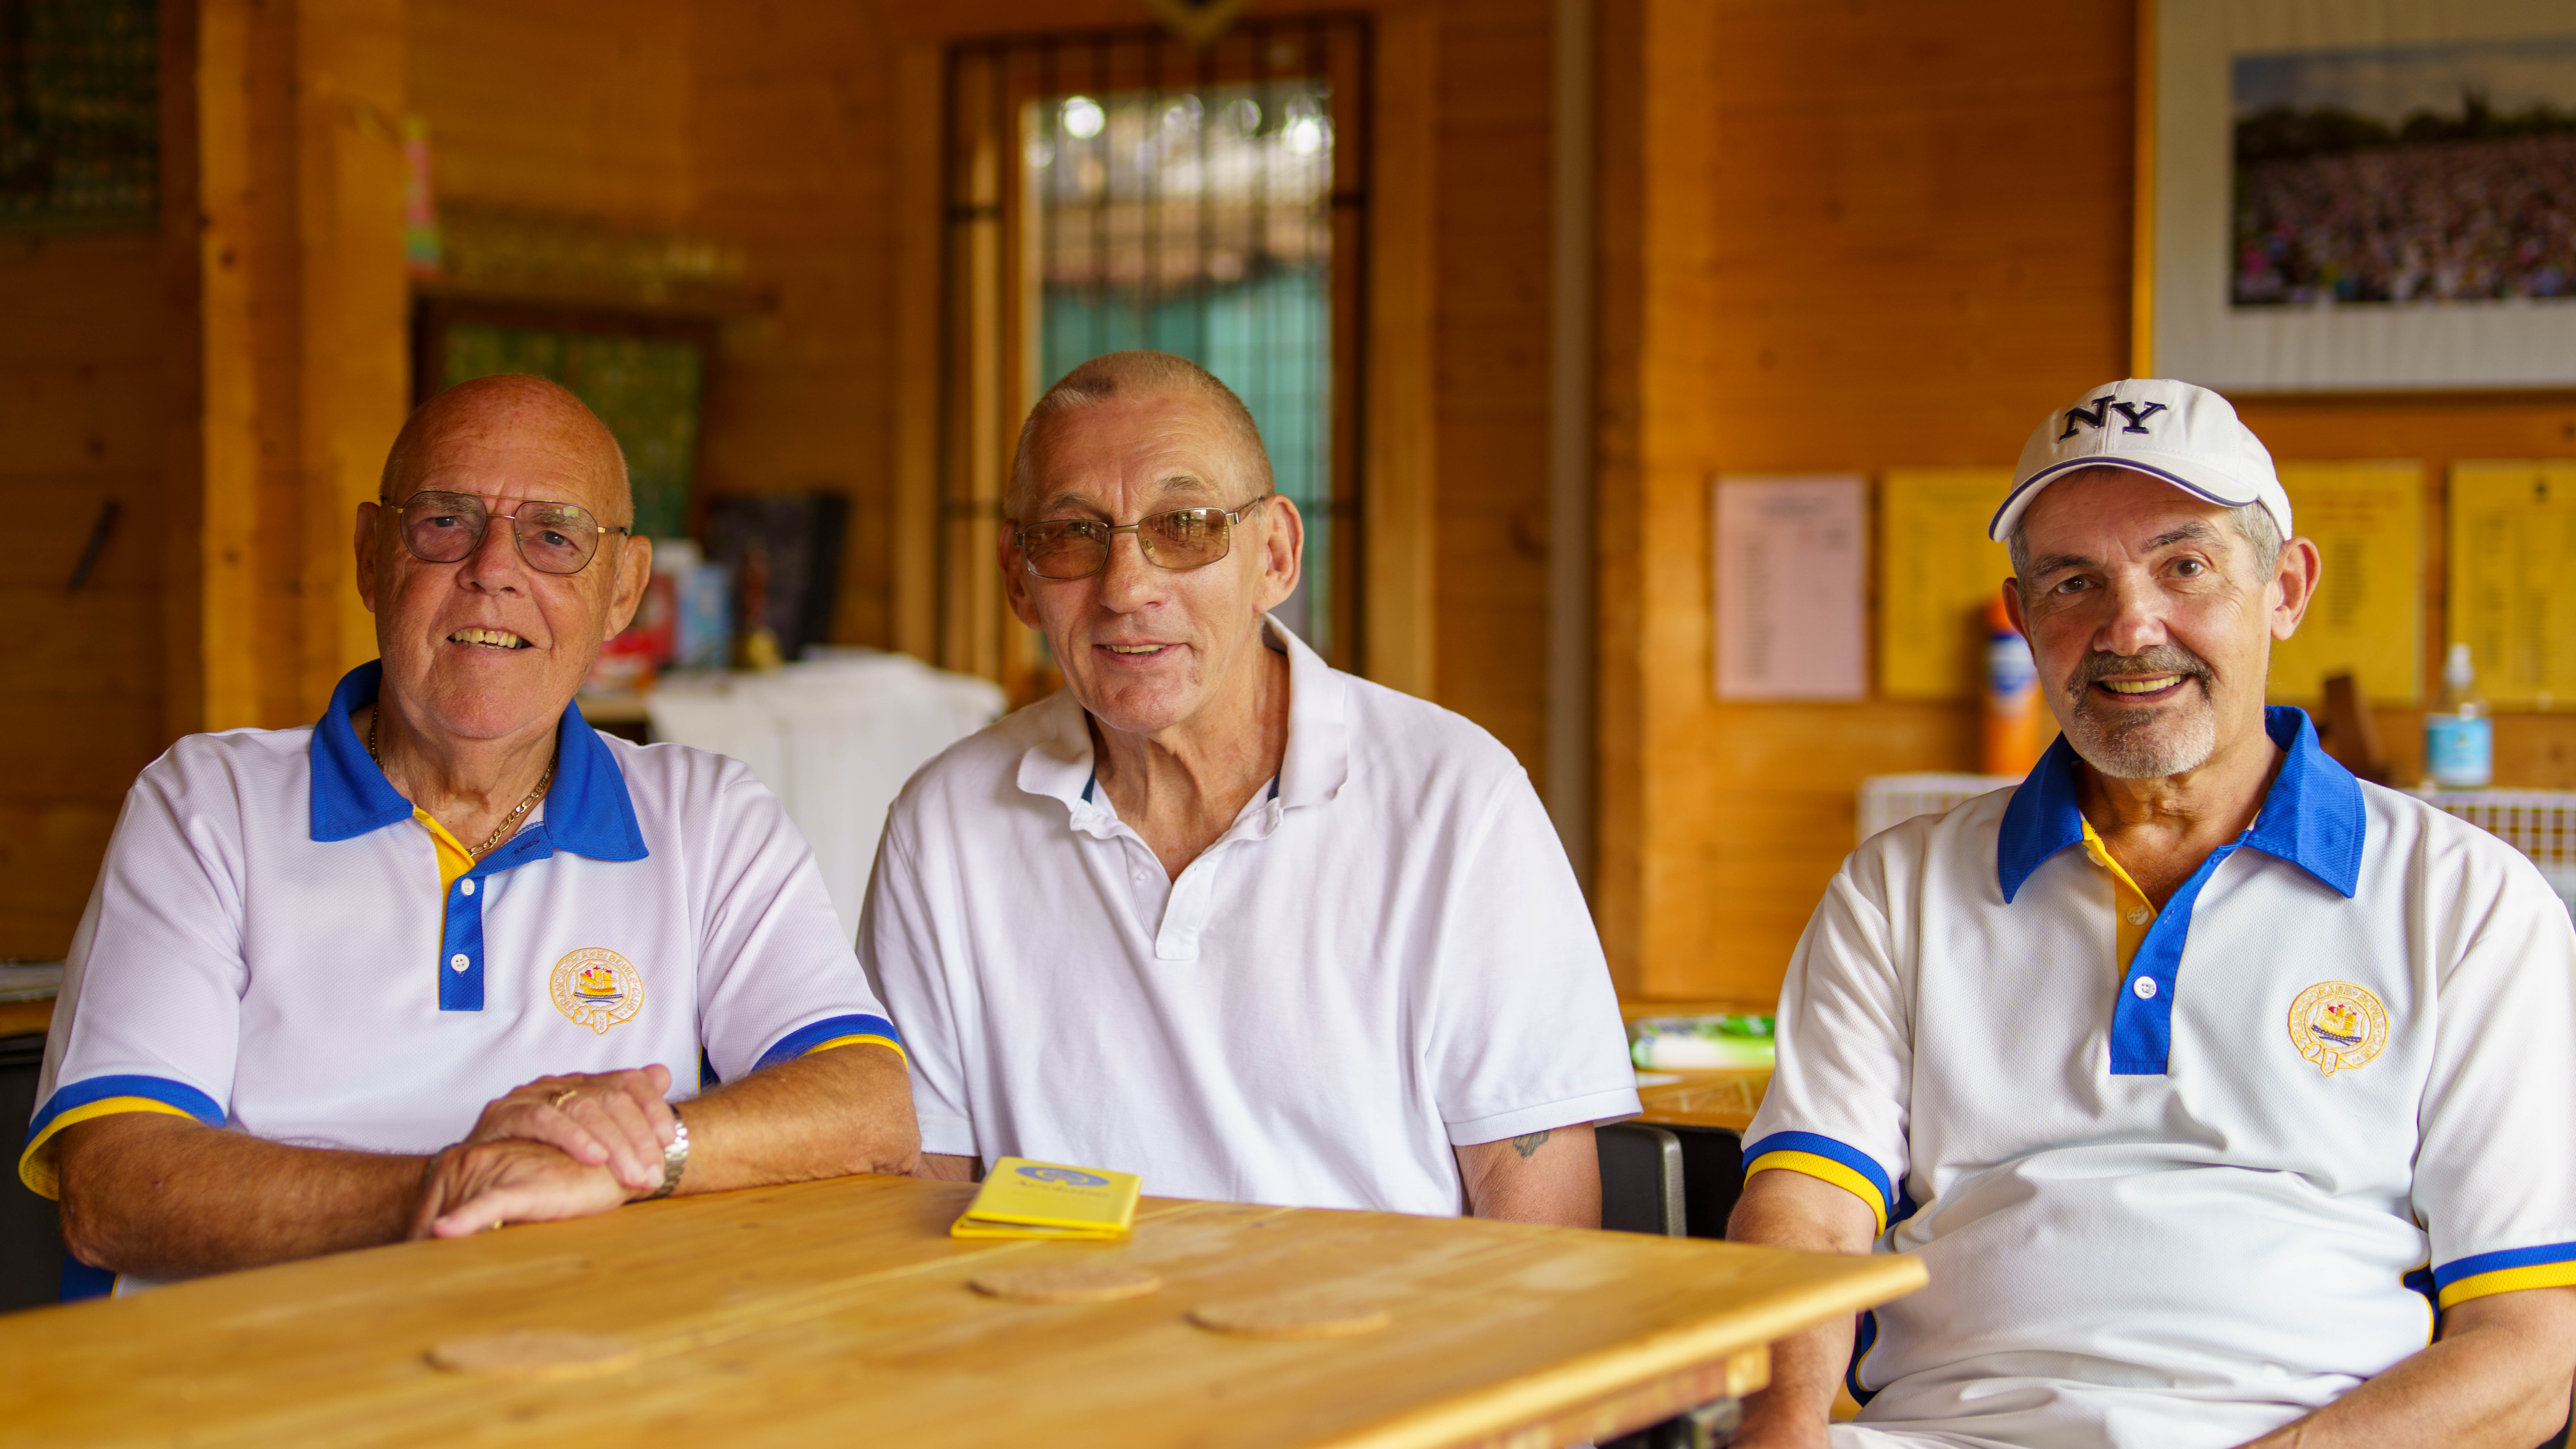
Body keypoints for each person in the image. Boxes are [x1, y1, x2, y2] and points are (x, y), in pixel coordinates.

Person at [1730, 378, 2576, 1449]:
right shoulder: (1895, 890)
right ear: (2024, 613)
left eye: (2186, 567)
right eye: (2074, 581)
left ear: (2287, 588)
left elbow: (2530, 1350)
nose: (2130, 627)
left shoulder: (2470, 903)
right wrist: (1783, 1423)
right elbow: (1805, 1218)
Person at [29, 376, 919, 1294]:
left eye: (555, 537)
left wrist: (648, 1154)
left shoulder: (707, 815)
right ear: (374, 555)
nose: (494, 569)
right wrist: (451, 1188)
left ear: (624, 592)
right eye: (446, 523)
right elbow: (113, 1188)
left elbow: (869, 1107)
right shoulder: (205, 806)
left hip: (584, 1365)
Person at [860, 351, 1636, 1224]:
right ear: (1019, 578)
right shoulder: (947, 825)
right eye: (1074, 535)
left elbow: (1544, 1232)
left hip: (1392, 1354)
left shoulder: (1456, 801)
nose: (1128, 588)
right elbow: (918, 1202)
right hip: (1062, 1344)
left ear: (1275, 555)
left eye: (1184, 526)